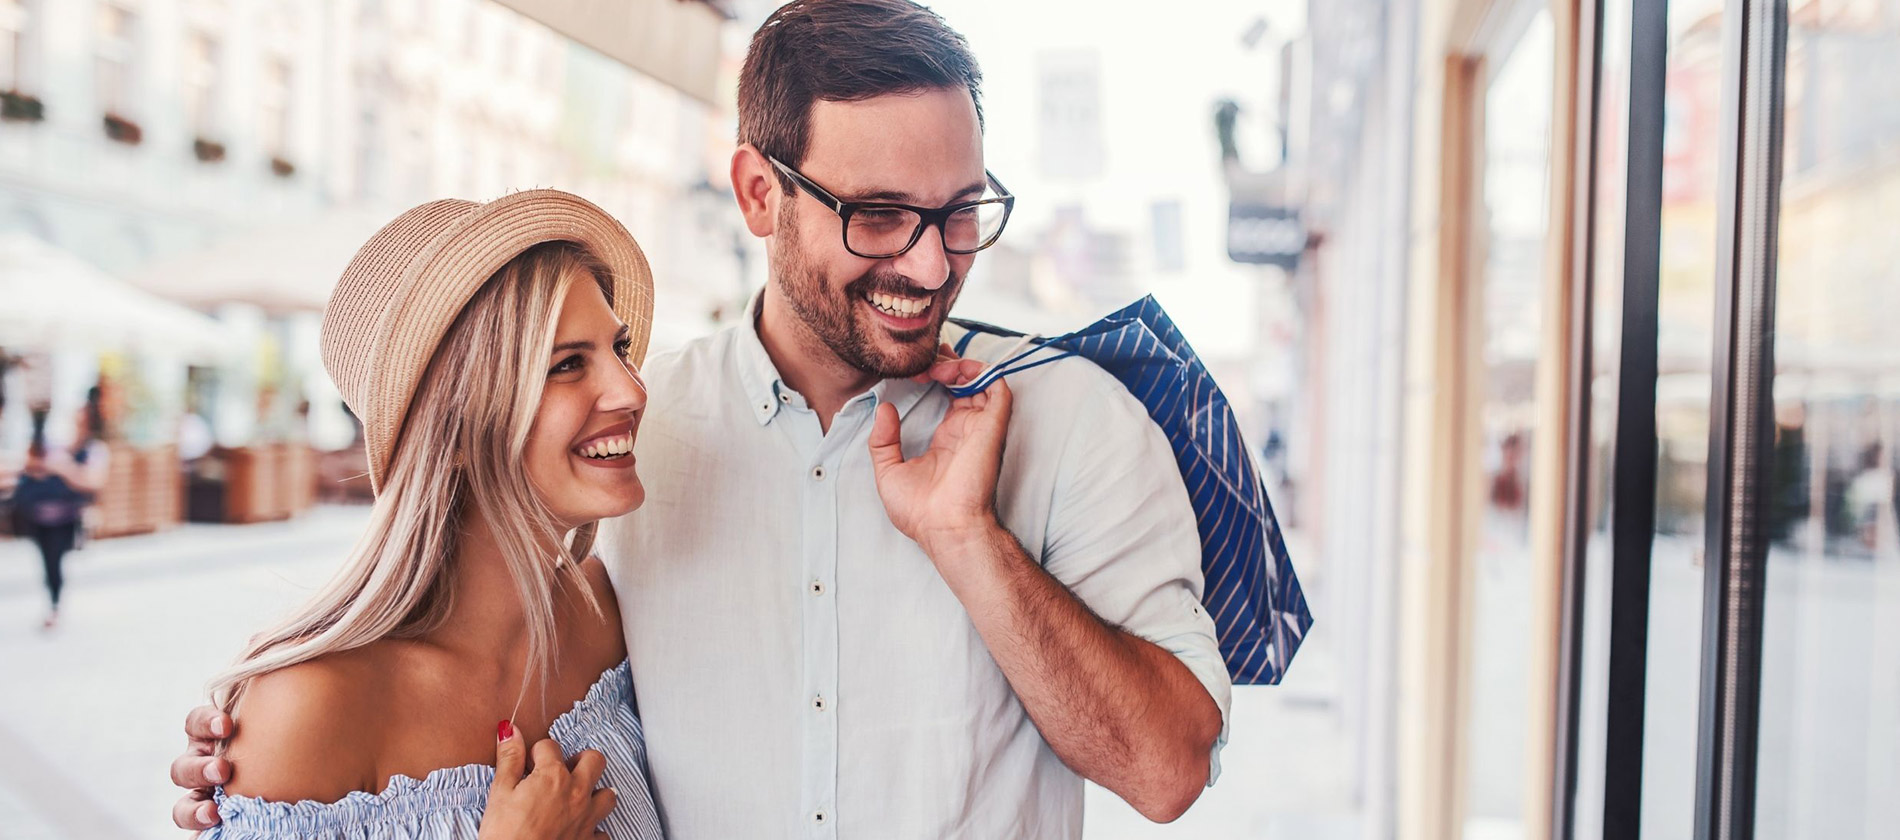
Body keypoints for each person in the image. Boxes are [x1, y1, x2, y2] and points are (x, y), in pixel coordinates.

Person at [175, 2, 1229, 836]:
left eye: (960, 212)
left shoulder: (1071, 416)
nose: (929, 261)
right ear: (758, 195)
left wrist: (969, 541)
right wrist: (265, 766)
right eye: (877, 215)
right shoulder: (634, 453)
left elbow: (1169, 772)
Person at [185, 190, 666, 839]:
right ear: (461, 432)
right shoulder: (311, 705)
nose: (632, 389)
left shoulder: (611, 617)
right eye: (567, 365)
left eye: (621, 348)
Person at [10, 420, 101, 630]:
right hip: (39, 517)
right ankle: (54, 603)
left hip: (64, 517)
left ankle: (55, 605)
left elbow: (91, 481)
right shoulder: (44, 446)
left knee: (55, 559)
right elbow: (26, 469)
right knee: (49, 562)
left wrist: (61, 468)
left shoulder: (85, 450)